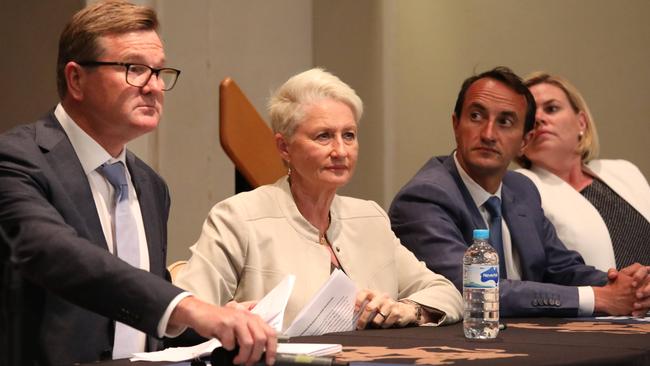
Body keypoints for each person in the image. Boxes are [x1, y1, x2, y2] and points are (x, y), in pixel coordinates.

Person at [0, 2, 276, 366]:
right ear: (76, 79)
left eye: (159, 72)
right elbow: (57, 253)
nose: (154, 87)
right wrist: (188, 307)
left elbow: (139, 315)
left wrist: (220, 321)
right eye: (135, 69)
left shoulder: (151, 185)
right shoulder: (17, 159)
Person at [175, 68, 463, 331]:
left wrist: (408, 309)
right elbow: (186, 314)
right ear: (284, 147)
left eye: (349, 135)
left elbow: (446, 292)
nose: (340, 150)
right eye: (323, 136)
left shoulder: (369, 218)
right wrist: (227, 317)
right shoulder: (239, 217)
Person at [388, 66, 650, 318]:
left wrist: (627, 285)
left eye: (505, 121)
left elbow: (562, 268)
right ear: (456, 125)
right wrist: (599, 298)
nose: (489, 134)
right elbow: (476, 290)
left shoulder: (521, 189)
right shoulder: (425, 197)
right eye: (476, 116)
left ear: (525, 141)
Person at [516, 72, 650, 272]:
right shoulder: (521, 188)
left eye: (551, 108)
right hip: (600, 301)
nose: (538, 119)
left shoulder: (625, 171)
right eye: (529, 116)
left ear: (581, 122)